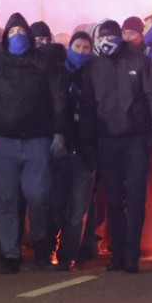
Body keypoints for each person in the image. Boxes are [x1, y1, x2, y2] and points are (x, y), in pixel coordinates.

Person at [0, 12, 66, 273]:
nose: (17, 35)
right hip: (5, 141)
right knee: (6, 199)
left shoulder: (45, 63)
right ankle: (10, 253)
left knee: (37, 196)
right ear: (5, 36)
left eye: (21, 31)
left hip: (38, 140)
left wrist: (59, 133)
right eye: (12, 31)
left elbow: (58, 100)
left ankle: (39, 241)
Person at [82, 20, 152, 273]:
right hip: (107, 140)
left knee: (136, 198)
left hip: (135, 140)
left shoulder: (139, 61)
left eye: (112, 36)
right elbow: (87, 106)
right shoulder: (93, 66)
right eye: (103, 37)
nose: (108, 41)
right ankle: (118, 252)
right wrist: (88, 141)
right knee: (115, 199)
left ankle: (131, 253)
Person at [51, 30, 102, 268]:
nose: (81, 52)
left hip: (85, 151)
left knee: (79, 208)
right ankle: (54, 246)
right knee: (57, 204)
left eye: (86, 48)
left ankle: (68, 255)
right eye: (77, 46)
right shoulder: (57, 71)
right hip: (60, 149)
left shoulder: (96, 74)